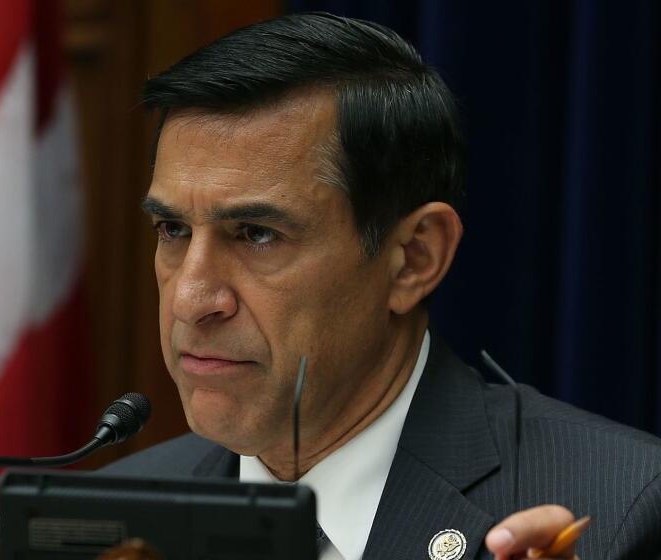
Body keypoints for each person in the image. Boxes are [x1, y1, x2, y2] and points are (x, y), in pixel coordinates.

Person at [100, 12, 661, 560]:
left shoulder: (621, 511)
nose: (191, 299)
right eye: (172, 229)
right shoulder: (115, 520)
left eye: (256, 234)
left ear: (414, 259)